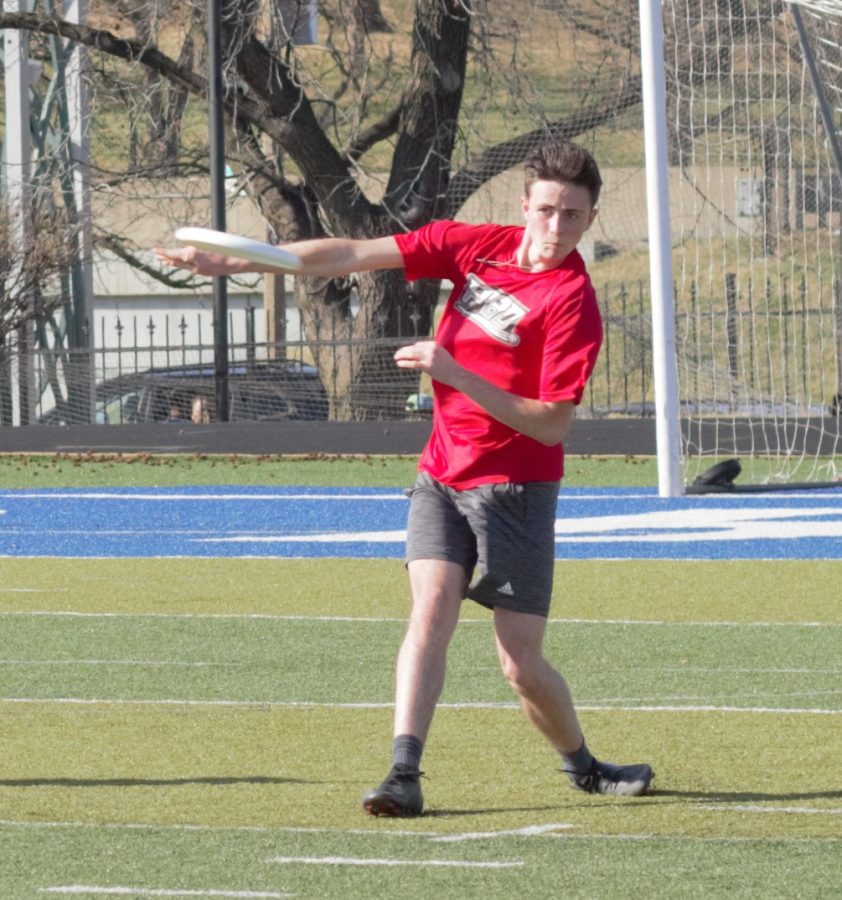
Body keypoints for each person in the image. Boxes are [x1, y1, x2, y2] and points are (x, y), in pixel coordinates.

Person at [154, 139, 654, 816]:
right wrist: (241, 259)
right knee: (430, 612)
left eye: (572, 215)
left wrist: (456, 373)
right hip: (443, 475)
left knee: (519, 664)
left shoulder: (571, 302)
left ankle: (584, 765)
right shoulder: (474, 245)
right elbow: (352, 254)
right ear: (524, 206)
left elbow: (551, 425)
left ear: (590, 220)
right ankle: (404, 773)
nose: (556, 227)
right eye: (547, 210)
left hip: (517, 489)